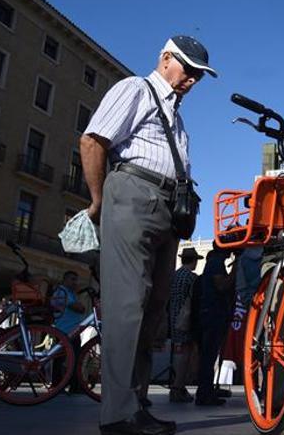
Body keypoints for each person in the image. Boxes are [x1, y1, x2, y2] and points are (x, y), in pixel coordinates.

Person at [81, 35, 217, 435]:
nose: (192, 79)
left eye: (199, 75)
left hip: (166, 210)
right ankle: (118, 414)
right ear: (165, 58)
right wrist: (98, 200)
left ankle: (136, 403)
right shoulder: (135, 89)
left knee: (153, 308)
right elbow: (93, 140)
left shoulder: (177, 117)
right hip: (133, 195)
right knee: (127, 307)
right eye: (187, 69)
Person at [194, 244, 235, 406]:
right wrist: (235, 271)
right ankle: (204, 393)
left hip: (210, 313)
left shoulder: (213, 262)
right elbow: (221, 285)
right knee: (209, 356)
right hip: (213, 314)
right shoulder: (216, 262)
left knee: (209, 356)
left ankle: (206, 390)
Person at [168, 248, 203, 403]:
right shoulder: (192, 278)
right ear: (193, 261)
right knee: (185, 353)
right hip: (187, 319)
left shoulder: (174, 275)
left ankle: (177, 386)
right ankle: (178, 387)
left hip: (173, 317)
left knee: (178, 351)